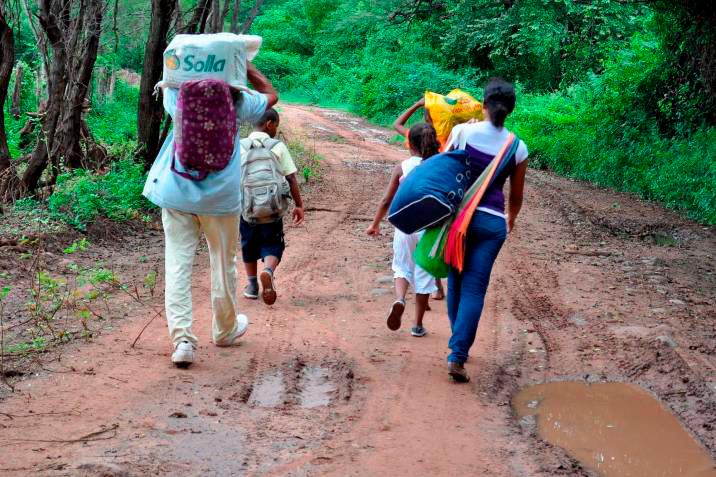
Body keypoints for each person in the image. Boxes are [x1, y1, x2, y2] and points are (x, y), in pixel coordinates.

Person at [143, 62, 278, 368]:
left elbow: (169, 73)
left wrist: (182, 62)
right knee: (223, 262)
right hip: (220, 197)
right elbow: (271, 94)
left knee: (178, 264)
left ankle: (182, 341)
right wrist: (247, 66)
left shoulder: (179, 98)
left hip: (176, 191)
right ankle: (225, 331)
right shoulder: (238, 102)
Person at [443, 78, 528, 383]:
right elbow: (516, 196)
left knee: (455, 280)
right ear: (510, 110)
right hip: (492, 223)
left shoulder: (462, 132)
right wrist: (511, 218)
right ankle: (458, 351)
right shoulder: (517, 147)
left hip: (460, 220)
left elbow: (443, 169)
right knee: (475, 289)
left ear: (483, 104)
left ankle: (459, 346)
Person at [367, 123, 441, 337]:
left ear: (410, 144)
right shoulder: (439, 165)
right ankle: (417, 325)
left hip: (405, 226)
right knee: (424, 272)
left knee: (402, 267)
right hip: (430, 228)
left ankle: (399, 299)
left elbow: (386, 200)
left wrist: (375, 224)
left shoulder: (403, 167)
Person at [240, 108, 304, 305]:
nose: (276, 129)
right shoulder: (278, 146)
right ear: (269, 123)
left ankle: (252, 285)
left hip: (247, 208)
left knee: (248, 244)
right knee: (273, 243)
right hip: (273, 208)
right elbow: (291, 178)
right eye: (276, 124)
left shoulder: (240, 146)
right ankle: (268, 270)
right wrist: (299, 205)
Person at [393, 99, 446, 302]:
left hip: (411, 202)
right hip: (434, 204)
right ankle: (436, 289)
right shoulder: (441, 141)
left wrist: (415, 103)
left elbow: (397, 124)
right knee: (429, 243)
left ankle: (422, 291)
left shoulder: (415, 136)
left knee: (409, 254)